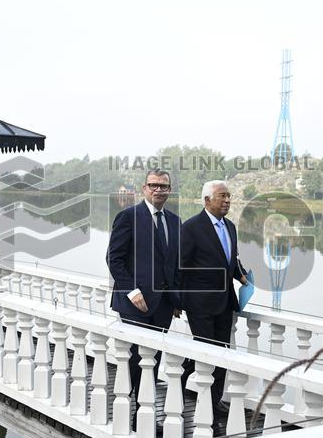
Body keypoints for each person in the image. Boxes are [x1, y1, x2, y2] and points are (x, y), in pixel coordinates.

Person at [106, 169, 182, 422]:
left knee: (154, 358)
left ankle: (143, 411)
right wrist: (132, 291)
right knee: (136, 357)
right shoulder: (128, 216)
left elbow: (173, 263)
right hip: (133, 302)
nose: (159, 190)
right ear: (144, 188)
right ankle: (126, 405)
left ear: (169, 190)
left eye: (164, 186)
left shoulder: (174, 221)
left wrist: (175, 299)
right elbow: (114, 259)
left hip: (162, 304)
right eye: (154, 185)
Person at [180, 180, 248, 422]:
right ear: (207, 200)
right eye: (222, 196)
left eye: (229, 196)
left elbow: (231, 259)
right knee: (205, 350)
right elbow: (180, 266)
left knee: (222, 353)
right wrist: (178, 300)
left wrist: (241, 276)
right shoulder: (191, 227)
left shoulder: (230, 227)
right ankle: (181, 382)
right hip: (199, 304)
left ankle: (213, 400)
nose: (227, 200)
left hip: (225, 302)